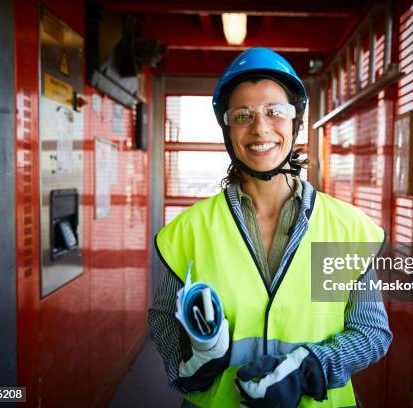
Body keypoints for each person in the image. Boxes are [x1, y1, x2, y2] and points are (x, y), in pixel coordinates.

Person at [149, 47, 392, 408]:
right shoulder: (187, 231)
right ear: (228, 130)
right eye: (242, 115)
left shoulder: (346, 228)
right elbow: (164, 319)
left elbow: (371, 331)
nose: (260, 127)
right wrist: (191, 362)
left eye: (275, 111)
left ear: (295, 122)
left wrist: (310, 368)